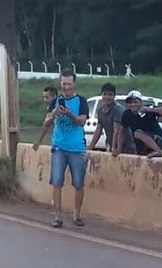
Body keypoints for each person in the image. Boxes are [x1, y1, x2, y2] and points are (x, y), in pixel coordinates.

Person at [46, 69, 89, 228]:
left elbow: (82, 122)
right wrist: (54, 114)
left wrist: (70, 114)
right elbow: (46, 122)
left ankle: (76, 215)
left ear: (74, 84)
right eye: (63, 84)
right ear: (60, 83)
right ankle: (57, 216)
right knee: (57, 181)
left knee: (78, 183)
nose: (66, 87)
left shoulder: (81, 101)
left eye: (69, 84)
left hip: (76, 147)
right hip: (59, 146)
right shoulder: (55, 101)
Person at [88, 83, 135, 156]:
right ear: (101, 95)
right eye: (105, 94)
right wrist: (90, 147)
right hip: (112, 146)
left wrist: (114, 148)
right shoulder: (100, 110)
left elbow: (117, 131)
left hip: (126, 148)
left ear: (114, 96)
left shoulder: (117, 110)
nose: (107, 97)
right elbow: (98, 130)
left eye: (110, 94)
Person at [121, 90, 162, 159]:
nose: (133, 104)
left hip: (157, 140)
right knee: (134, 137)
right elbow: (123, 132)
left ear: (140, 103)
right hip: (142, 146)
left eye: (135, 102)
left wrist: (150, 110)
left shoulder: (148, 110)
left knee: (137, 133)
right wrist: (118, 148)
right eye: (130, 102)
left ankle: (158, 151)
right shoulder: (126, 114)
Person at [33, 86, 58, 151]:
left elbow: (47, 124)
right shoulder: (52, 106)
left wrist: (39, 141)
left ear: (54, 96)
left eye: (47, 97)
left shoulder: (55, 105)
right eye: (44, 97)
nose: (45, 100)